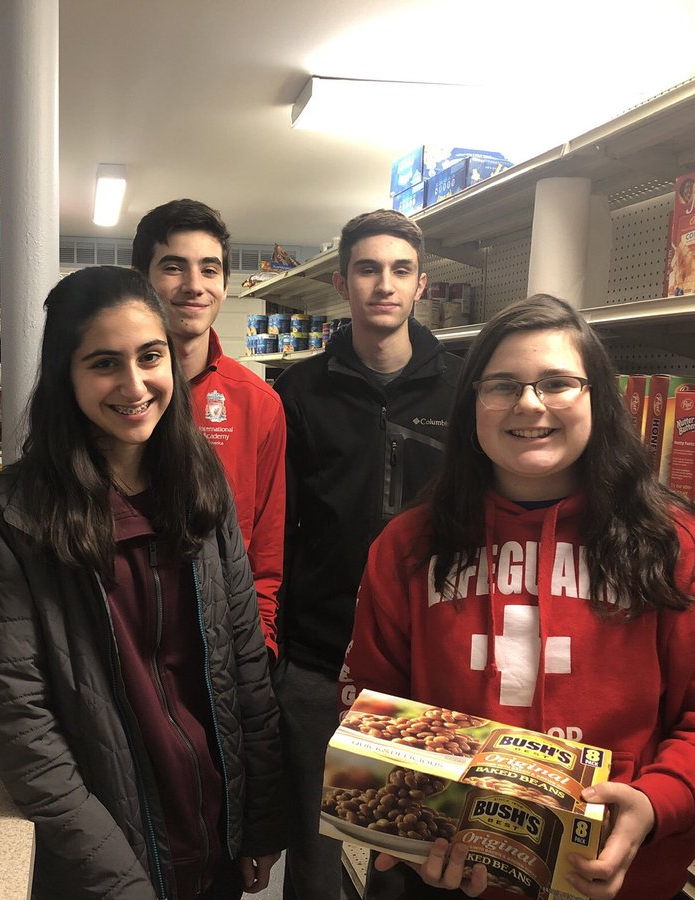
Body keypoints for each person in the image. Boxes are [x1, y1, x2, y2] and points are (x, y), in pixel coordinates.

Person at [341, 294, 695, 899]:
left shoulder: (677, 547)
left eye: (557, 383)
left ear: (598, 398)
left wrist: (654, 804)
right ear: (471, 408)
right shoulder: (406, 547)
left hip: (621, 885)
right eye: (502, 386)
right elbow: (368, 710)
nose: (529, 405)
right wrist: (409, 829)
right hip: (445, 878)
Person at [0, 266, 285, 900]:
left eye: (150, 357)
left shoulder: (201, 485)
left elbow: (246, 667)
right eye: (105, 363)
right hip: (104, 850)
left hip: (212, 827)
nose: (134, 385)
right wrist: (116, 882)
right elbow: (24, 726)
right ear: (66, 377)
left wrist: (262, 820)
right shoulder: (11, 515)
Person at [271, 209, 462, 900]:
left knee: (409, 859)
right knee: (316, 860)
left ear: (421, 286)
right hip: (319, 661)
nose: (385, 284)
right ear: (342, 281)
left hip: (425, 669)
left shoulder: (464, 390)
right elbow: (275, 528)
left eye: (400, 270)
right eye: (368, 269)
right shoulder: (297, 391)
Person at [133, 199, 287, 658]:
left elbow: (266, 542)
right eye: (174, 267)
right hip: (125, 630)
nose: (194, 286)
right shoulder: (111, 397)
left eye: (210, 269)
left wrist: (262, 643)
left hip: (224, 635)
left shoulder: (257, 403)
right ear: (143, 278)